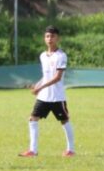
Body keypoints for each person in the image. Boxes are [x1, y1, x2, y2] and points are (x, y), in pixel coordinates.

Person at [19, 26, 76, 157]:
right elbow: (46, 76)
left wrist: (40, 88)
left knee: (64, 120)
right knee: (33, 119)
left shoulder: (61, 56)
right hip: (44, 97)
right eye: (47, 36)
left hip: (57, 97)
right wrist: (37, 85)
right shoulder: (43, 56)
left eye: (52, 36)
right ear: (44, 38)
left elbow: (57, 77)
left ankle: (71, 150)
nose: (50, 39)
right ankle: (33, 150)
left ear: (58, 38)